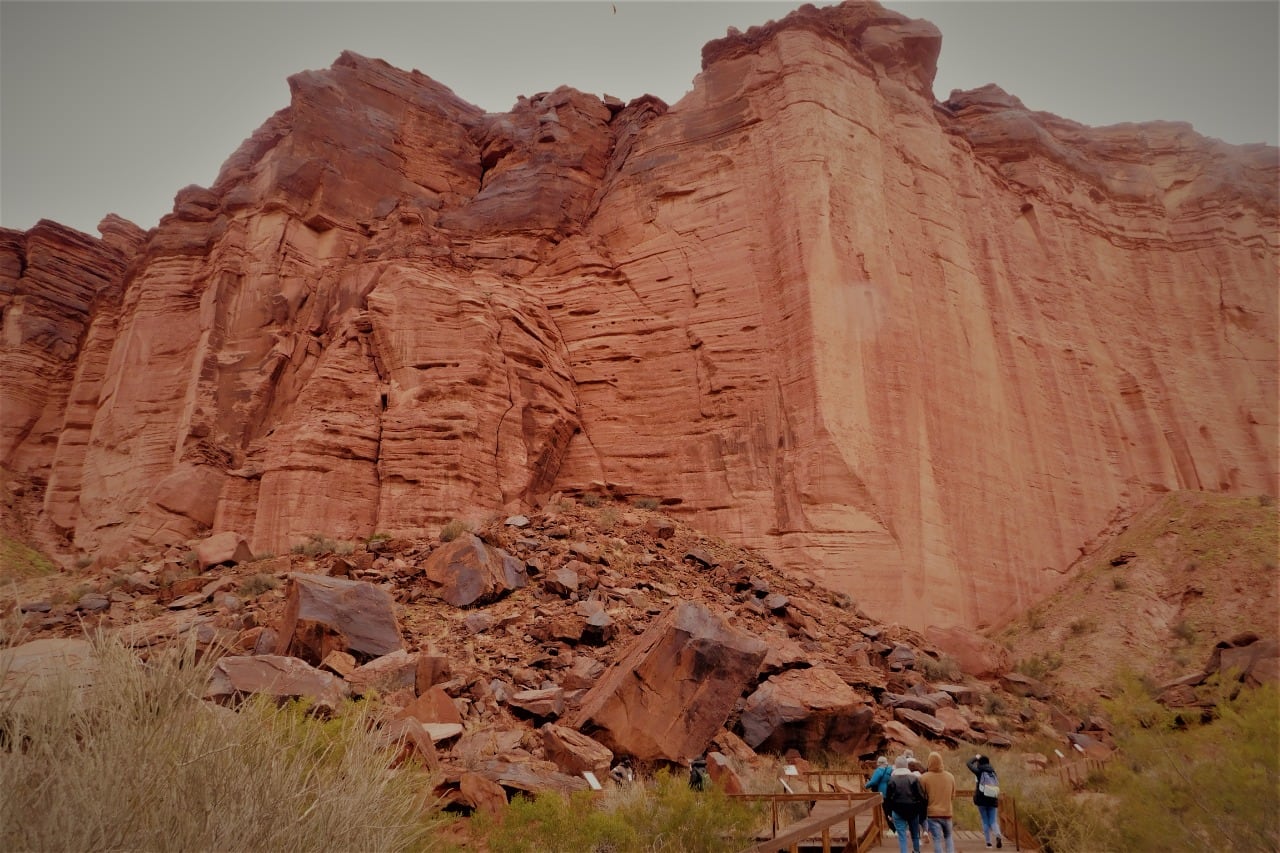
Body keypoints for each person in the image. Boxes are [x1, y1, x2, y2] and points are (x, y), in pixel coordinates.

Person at [884, 755, 926, 853]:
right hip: (913, 810)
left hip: (897, 810)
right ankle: (916, 851)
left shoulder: (891, 780)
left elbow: (888, 799)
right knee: (915, 834)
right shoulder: (914, 778)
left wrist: (889, 813)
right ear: (906, 766)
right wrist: (921, 811)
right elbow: (921, 796)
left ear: (896, 766)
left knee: (902, 836)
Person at [918, 751, 956, 853]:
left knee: (937, 839)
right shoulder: (950, 776)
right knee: (948, 837)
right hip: (947, 813)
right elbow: (953, 795)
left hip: (932, 814)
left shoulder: (924, 777)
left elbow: (921, 796)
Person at [967, 754, 1003, 849]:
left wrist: (975, 757)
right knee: (993, 820)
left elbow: (968, 763)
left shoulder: (979, 771)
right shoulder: (993, 772)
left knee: (985, 820)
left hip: (982, 800)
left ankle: (988, 843)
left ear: (979, 762)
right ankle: (998, 834)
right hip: (993, 799)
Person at [865, 755, 894, 832]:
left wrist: (866, 785)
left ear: (879, 763)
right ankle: (895, 827)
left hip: (883, 793)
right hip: (891, 792)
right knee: (891, 810)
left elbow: (874, 781)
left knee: (886, 810)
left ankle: (892, 829)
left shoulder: (879, 770)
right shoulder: (890, 769)